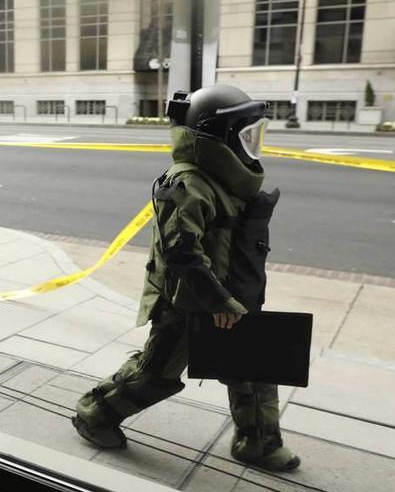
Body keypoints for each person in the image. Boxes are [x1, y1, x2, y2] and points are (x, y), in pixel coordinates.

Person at [71, 84, 300, 472]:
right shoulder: (188, 184)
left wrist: (234, 298)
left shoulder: (227, 180)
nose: (253, 146)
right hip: (189, 302)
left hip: (232, 297)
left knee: (256, 370)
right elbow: (181, 254)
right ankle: (95, 414)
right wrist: (218, 301)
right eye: (246, 136)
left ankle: (257, 442)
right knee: (154, 374)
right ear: (216, 138)